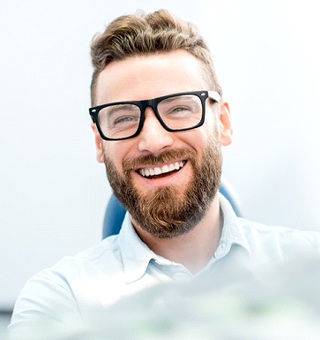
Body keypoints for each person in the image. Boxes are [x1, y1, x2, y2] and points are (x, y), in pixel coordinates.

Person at [9, 9, 320, 338]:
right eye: (124, 118)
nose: (153, 141)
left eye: (180, 108)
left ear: (224, 124)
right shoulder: (60, 303)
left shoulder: (310, 271)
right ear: (100, 143)